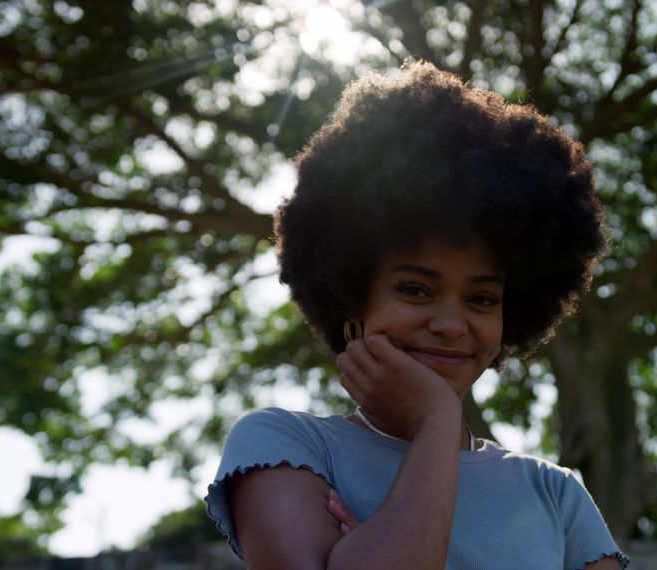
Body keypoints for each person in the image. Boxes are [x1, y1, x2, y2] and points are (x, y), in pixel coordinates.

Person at [205, 61, 630, 569]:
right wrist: (435, 421)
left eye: (481, 299)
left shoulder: (555, 493)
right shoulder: (286, 445)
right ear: (351, 298)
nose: (452, 324)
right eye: (415, 289)